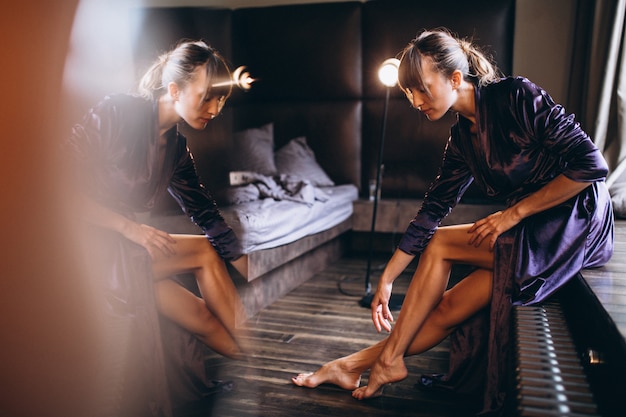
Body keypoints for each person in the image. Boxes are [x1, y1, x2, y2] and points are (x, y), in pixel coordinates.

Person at [292, 28, 614, 415]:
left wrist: (513, 213)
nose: (414, 100)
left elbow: (593, 166)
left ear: (455, 79)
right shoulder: (463, 137)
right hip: (529, 228)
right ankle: (352, 365)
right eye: (409, 92)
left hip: (573, 219)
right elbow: (433, 209)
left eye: (422, 89)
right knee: (446, 308)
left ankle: (385, 361)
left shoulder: (516, 96)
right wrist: (388, 277)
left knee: (442, 244)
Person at [66, 40, 249, 416]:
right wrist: (130, 229)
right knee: (201, 250)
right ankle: (260, 348)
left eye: (221, 101)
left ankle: (262, 362)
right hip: (77, 245)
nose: (215, 110)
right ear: (174, 90)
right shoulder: (116, 112)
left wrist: (249, 264)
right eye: (207, 98)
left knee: (201, 317)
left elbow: (205, 212)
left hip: (124, 248)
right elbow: (58, 186)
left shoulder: (177, 148)